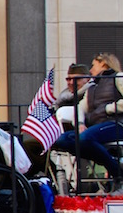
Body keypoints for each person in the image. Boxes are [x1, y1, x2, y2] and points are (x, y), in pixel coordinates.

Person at [51, 52, 123, 192]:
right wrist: (80, 124)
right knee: (63, 140)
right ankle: (114, 166)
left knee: (83, 138)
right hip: (96, 127)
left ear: (104, 64)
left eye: (93, 65)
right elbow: (80, 108)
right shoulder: (92, 87)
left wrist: (110, 108)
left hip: (116, 124)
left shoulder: (118, 77)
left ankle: (118, 174)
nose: (90, 70)